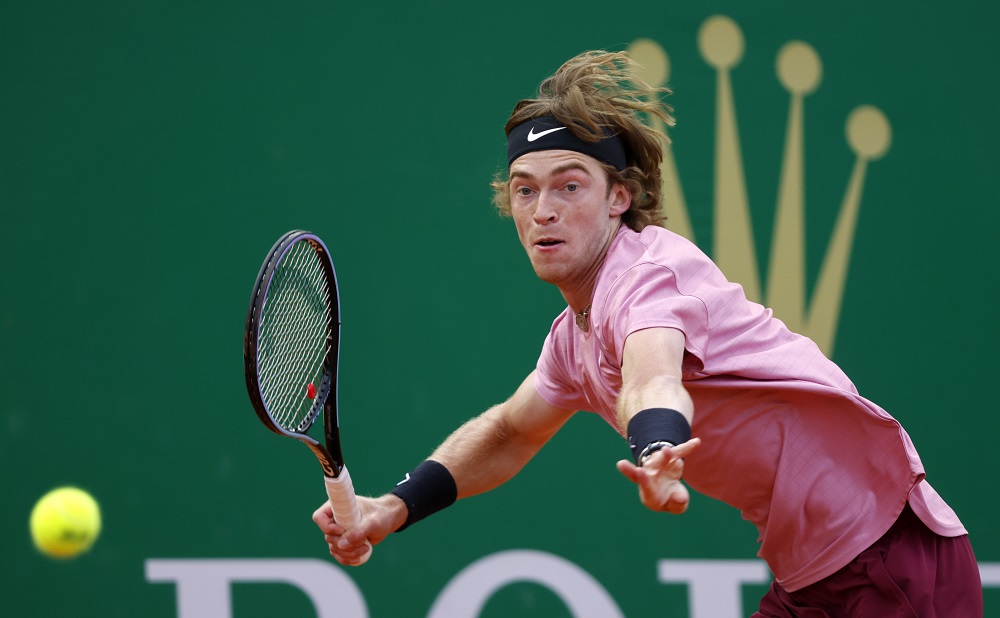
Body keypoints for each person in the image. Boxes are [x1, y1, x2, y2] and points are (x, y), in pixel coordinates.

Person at [313, 50, 982, 616]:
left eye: (568, 186)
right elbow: (510, 433)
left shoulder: (648, 275)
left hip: (890, 560)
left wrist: (657, 443)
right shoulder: (573, 338)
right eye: (524, 189)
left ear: (619, 197)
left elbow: (651, 376)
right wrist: (392, 508)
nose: (542, 211)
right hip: (816, 573)